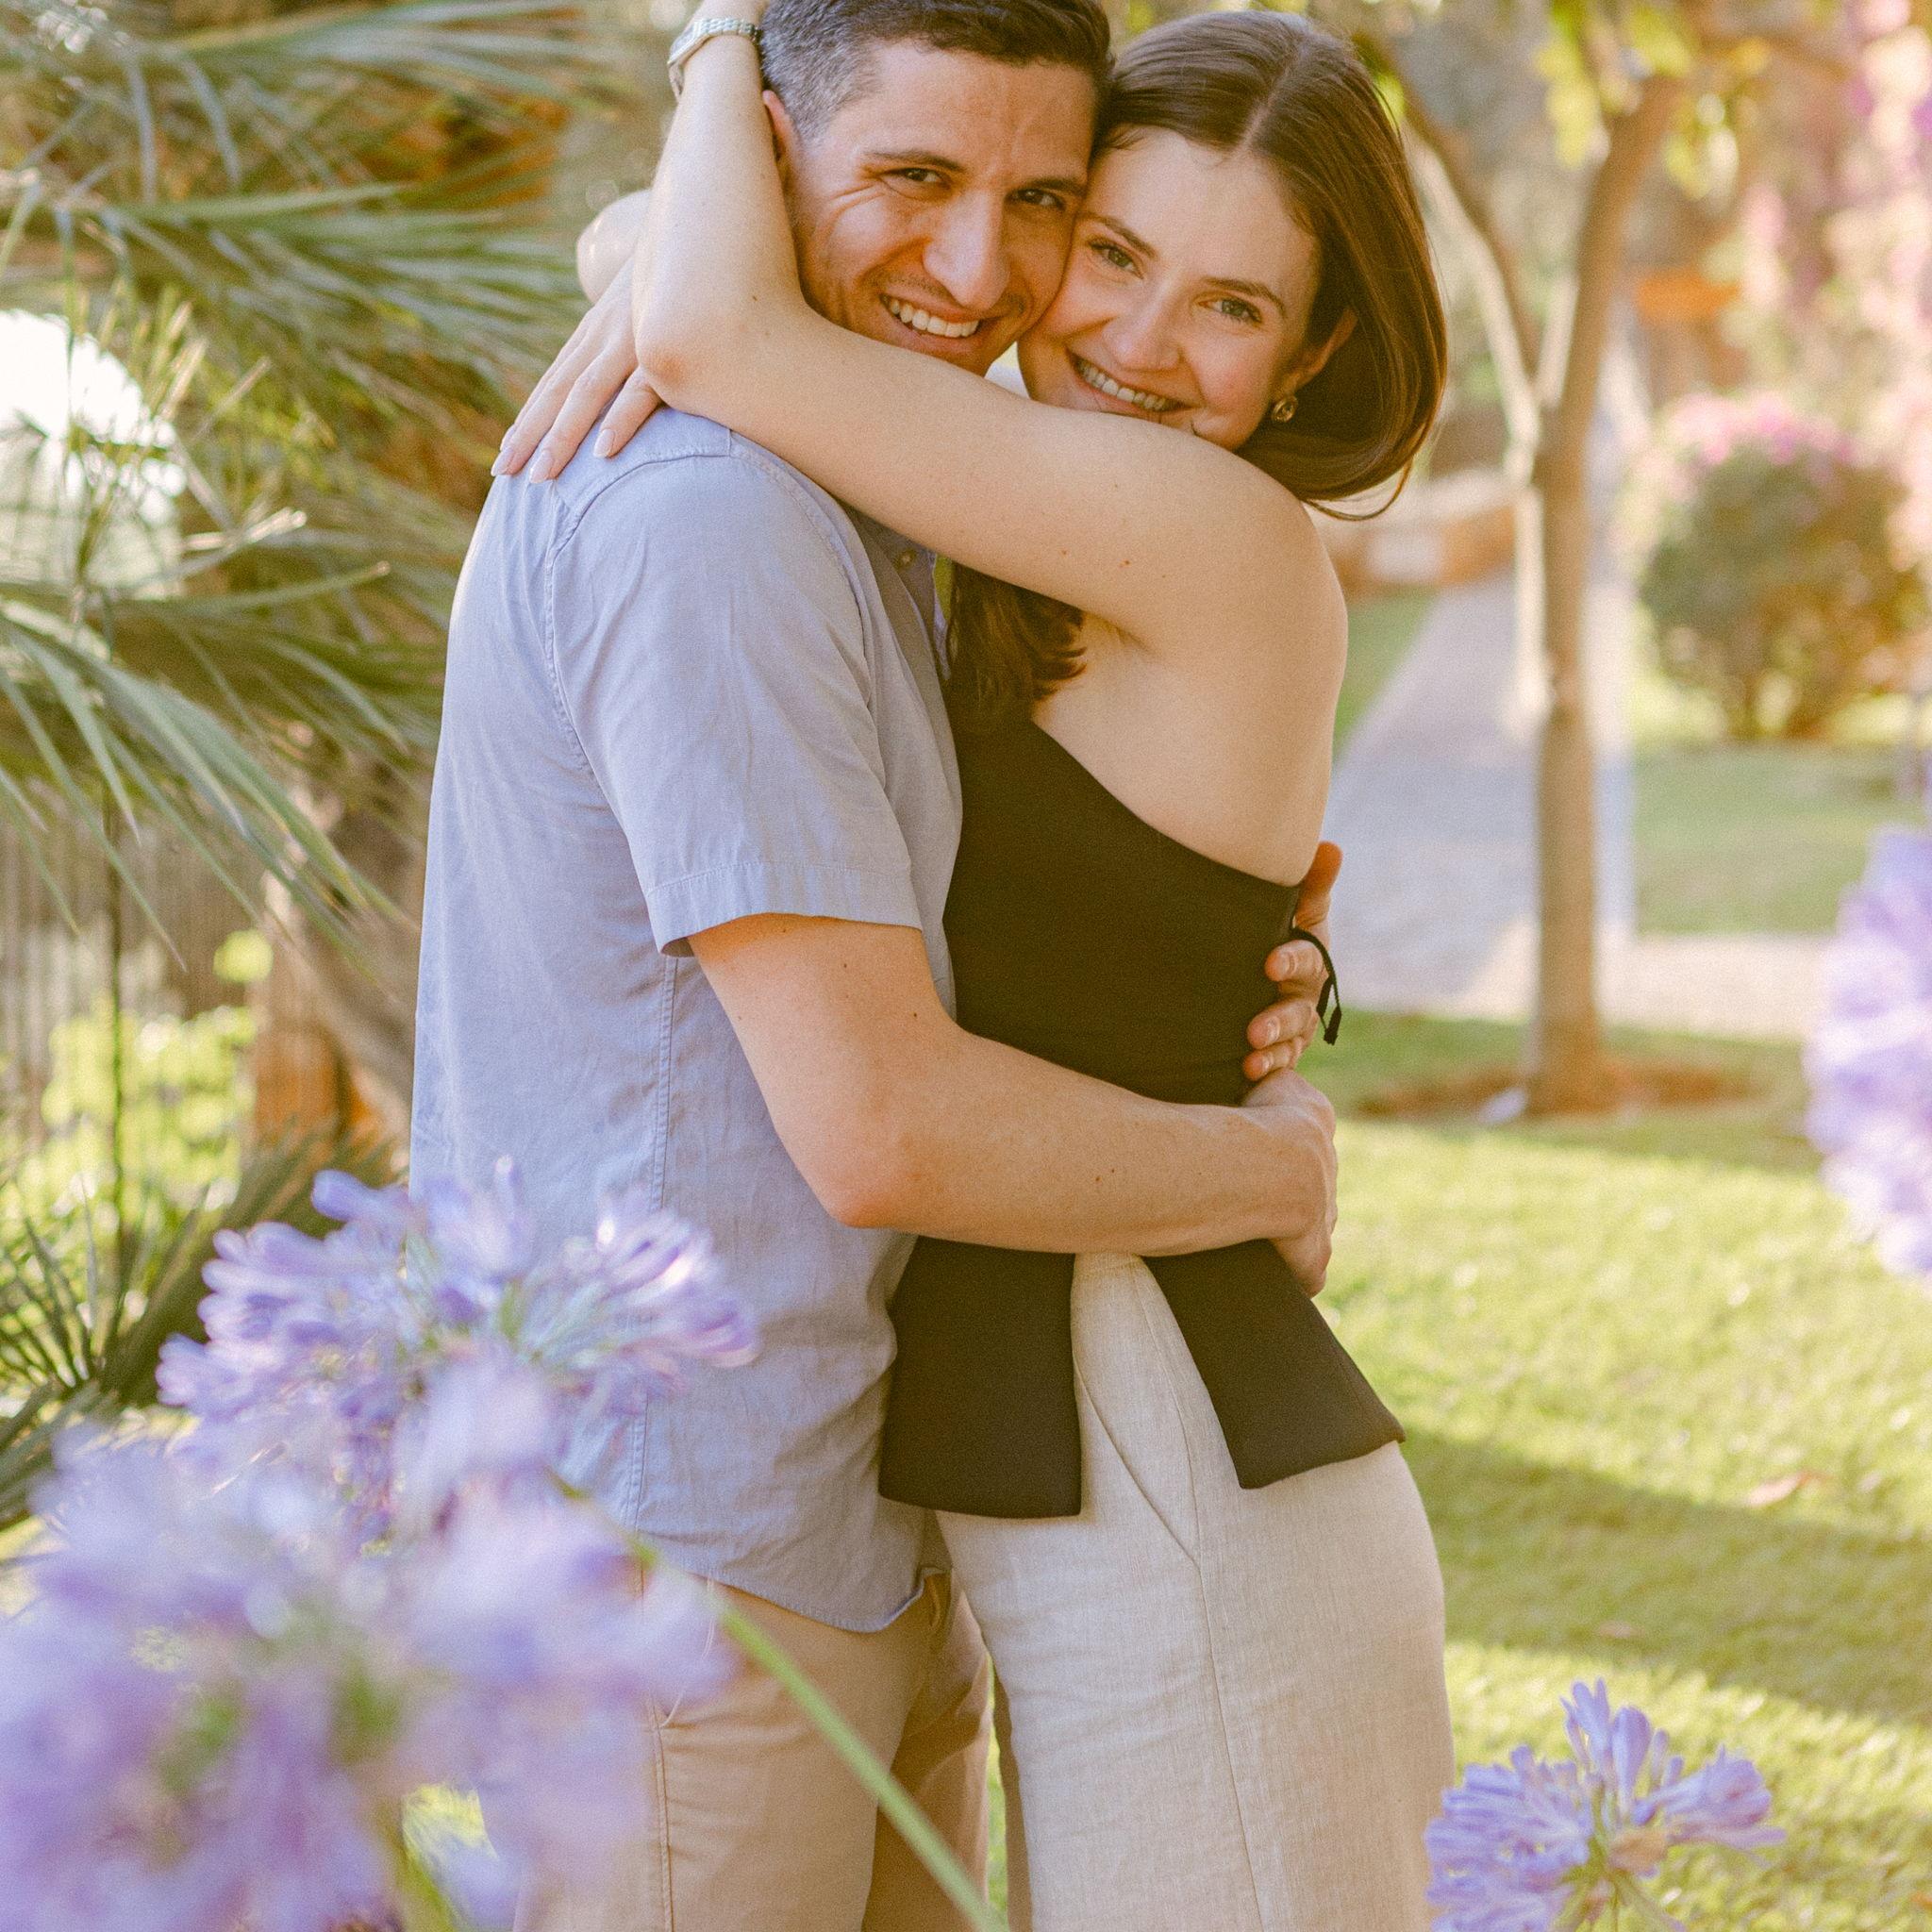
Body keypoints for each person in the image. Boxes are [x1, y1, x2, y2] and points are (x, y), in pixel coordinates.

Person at [499, 8, 1457, 1928]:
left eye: (1232, 307)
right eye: (1110, 251)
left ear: (1311, 355)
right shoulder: (998, 516)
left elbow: (721, 324)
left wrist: (723, 42)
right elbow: (697, 289)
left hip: (1191, 1496)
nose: (1140, 342)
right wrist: (655, 267)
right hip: (1085, 1490)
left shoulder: (1202, 528)